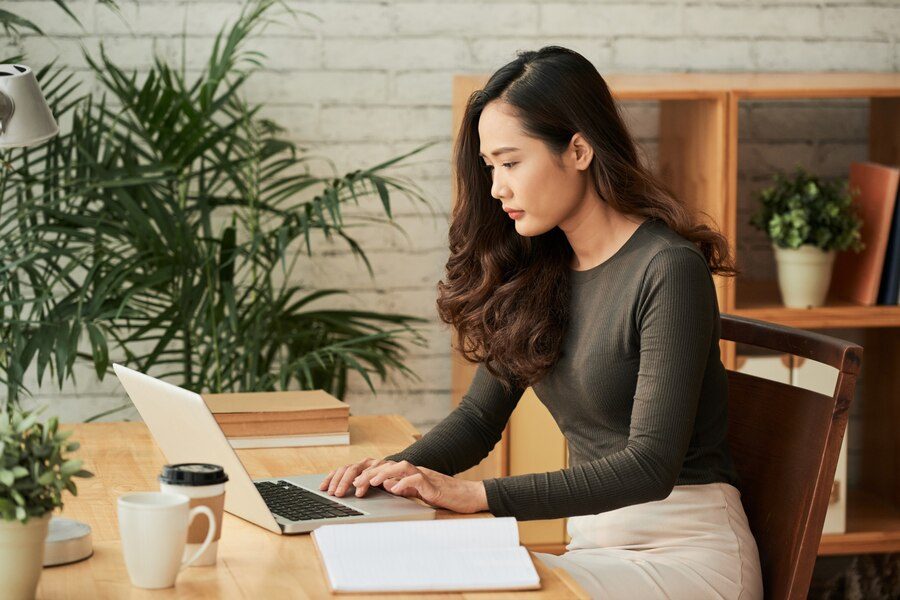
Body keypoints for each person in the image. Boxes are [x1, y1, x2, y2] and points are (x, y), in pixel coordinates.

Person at [320, 46, 763, 599]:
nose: (496, 188)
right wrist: (390, 473)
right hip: (595, 550)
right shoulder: (542, 270)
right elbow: (480, 419)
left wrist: (480, 496)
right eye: (490, 168)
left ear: (578, 149)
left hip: (686, 556)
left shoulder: (667, 269)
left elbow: (650, 466)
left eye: (511, 163)